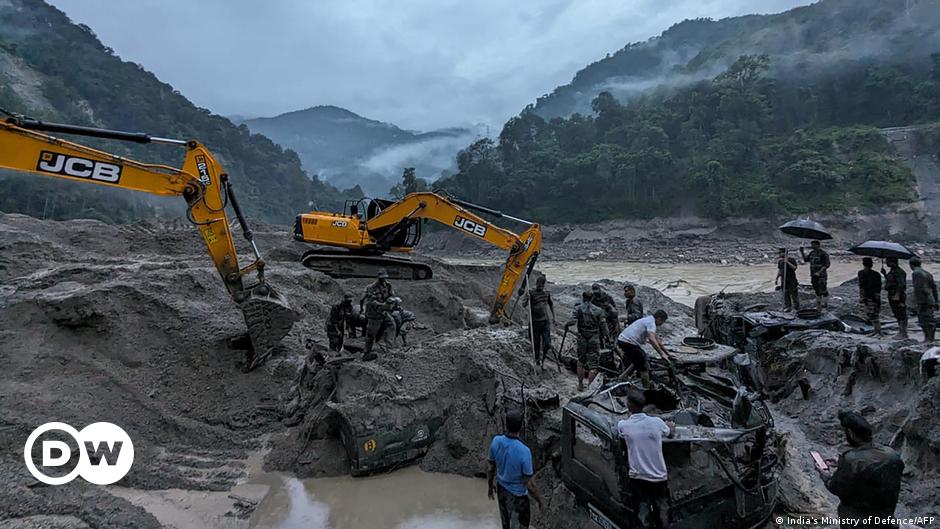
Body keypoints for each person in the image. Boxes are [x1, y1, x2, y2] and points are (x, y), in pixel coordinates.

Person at [817, 411, 904, 529]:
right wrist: (842, 465)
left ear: (851, 434)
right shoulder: (891, 454)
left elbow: (835, 487)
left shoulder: (851, 460)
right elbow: (872, 470)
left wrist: (825, 474)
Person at [618, 390, 673, 529]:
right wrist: (671, 426)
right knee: (663, 514)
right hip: (659, 477)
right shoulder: (657, 422)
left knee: (643, 515)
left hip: (638, 478)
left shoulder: (624, 425)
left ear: (629, 405)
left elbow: (618, 434)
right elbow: (670, 432)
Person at [487, 409, 544, 529]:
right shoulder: (524, 451)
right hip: (518, 499)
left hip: (501, 491)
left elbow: (491, 468)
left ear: (506, 424)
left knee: (506, 525)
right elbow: (529, 483)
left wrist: (489, 486)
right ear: (521, 426)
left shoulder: (496, 441)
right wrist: (539, 501)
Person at [616, 310, 672, 389]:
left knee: (639, 358)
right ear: (659, 319)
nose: (661, 324)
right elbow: (651, 339)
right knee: (644, 367)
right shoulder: (651, 323)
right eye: (662, 322)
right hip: (628, 343)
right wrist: (661, 354)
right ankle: (647, 389)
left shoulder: (648, 319)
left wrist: (667, 353)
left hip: (622, 340)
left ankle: (622, 376)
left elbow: (657, 340)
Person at [565, 291, 609, 391]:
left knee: (581, 361)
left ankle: (580, 385)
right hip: (594, 338)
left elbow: (572, 321)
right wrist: (607, 336)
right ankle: (590, 387)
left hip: (582, 337)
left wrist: (566, 325)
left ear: (583, 297)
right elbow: (604, 325)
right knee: (593, 364)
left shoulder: (578, 309)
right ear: (592, 298)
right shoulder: (598, 310)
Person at [362, 269, 395, 361]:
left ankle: (390, 349)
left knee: (391, 325)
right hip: (374, 314)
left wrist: (393, 300)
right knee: (371, 334)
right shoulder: (371, 287)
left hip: (384, 313)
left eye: (384, 278)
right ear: (378, 278)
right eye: (381, 278)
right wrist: (382, 305)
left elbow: (392, 295)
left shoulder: (388, 285)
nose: (383, 280)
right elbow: (371, 301)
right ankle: (366, 353)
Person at [522, 276, 555, 366]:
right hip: (534, 322)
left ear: (543, 285)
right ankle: (537, 361)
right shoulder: (531, 293)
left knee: (547, 343)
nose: (540, 286)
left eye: (541, 285)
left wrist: (554, 317)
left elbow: (551, 304)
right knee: (536, 344)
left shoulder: (546, 294)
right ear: (536, 284)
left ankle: (543, 359)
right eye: (538, 285)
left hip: (545, 322)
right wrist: (527, 297)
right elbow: (523, 304)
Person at [911, 257, 937, 343]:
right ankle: (931, 339)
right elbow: (934, 287)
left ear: (911, 265)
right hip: (930, 299)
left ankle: (928, 339)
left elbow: (918, 288)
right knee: (930, 319)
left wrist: (916, 301)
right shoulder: (927, 273)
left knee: (924, 320)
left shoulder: (916, 273)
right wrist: (936, 300)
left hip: (923, 300)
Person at [882, 257, 908, 339]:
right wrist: (885, 274)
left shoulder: (899, 272)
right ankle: (901, 331)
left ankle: (903, 332)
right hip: (892, 294)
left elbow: (902, 285)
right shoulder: (892, 271)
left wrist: (897, 294)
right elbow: (891, 282)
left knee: (901, 313)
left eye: (888, 261)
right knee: (896, 313)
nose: (886, 263)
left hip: (898, 296)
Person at [801, 240, 831, 310]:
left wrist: (819, 272)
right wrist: (802, 252)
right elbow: (806, 260)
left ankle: (825, 303)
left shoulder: (823, 254)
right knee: (816, 289)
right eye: (812, 245)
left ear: (818, 245)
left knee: (823, 289)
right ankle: (819, 304)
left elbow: (827, 264)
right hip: (813, 274)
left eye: (813, 245)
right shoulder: (812, 253)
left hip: (821, 275)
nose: (812, 246)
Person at [858, 258, 882, 335]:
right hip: (873, 296)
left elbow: (861, 286)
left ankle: (877, 331)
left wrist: (861, 296)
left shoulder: (861, 273)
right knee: (873, 314)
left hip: (869, 296)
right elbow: (879, 287)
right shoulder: (876, 274)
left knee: (872, 314)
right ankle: (877, 330)